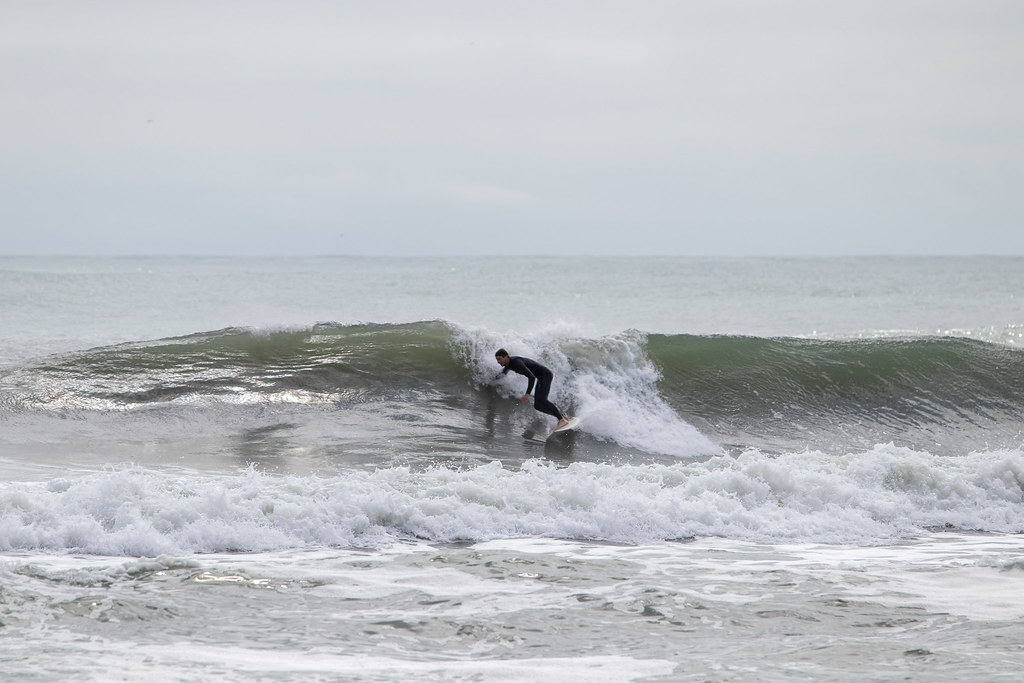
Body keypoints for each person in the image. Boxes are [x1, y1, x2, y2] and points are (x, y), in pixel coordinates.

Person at [494, 348, 570, 430]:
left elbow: (532, 377)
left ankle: (561, 420)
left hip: (546, 375)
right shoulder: (508, 365)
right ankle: (561, 416)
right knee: (537, 406)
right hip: (541, 378)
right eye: (497, 360)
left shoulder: (516, 362)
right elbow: (502, 374)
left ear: (506, 357)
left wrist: (527, 394)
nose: (498, 362)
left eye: (499, 359)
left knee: (543, 400)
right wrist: (492, 381)